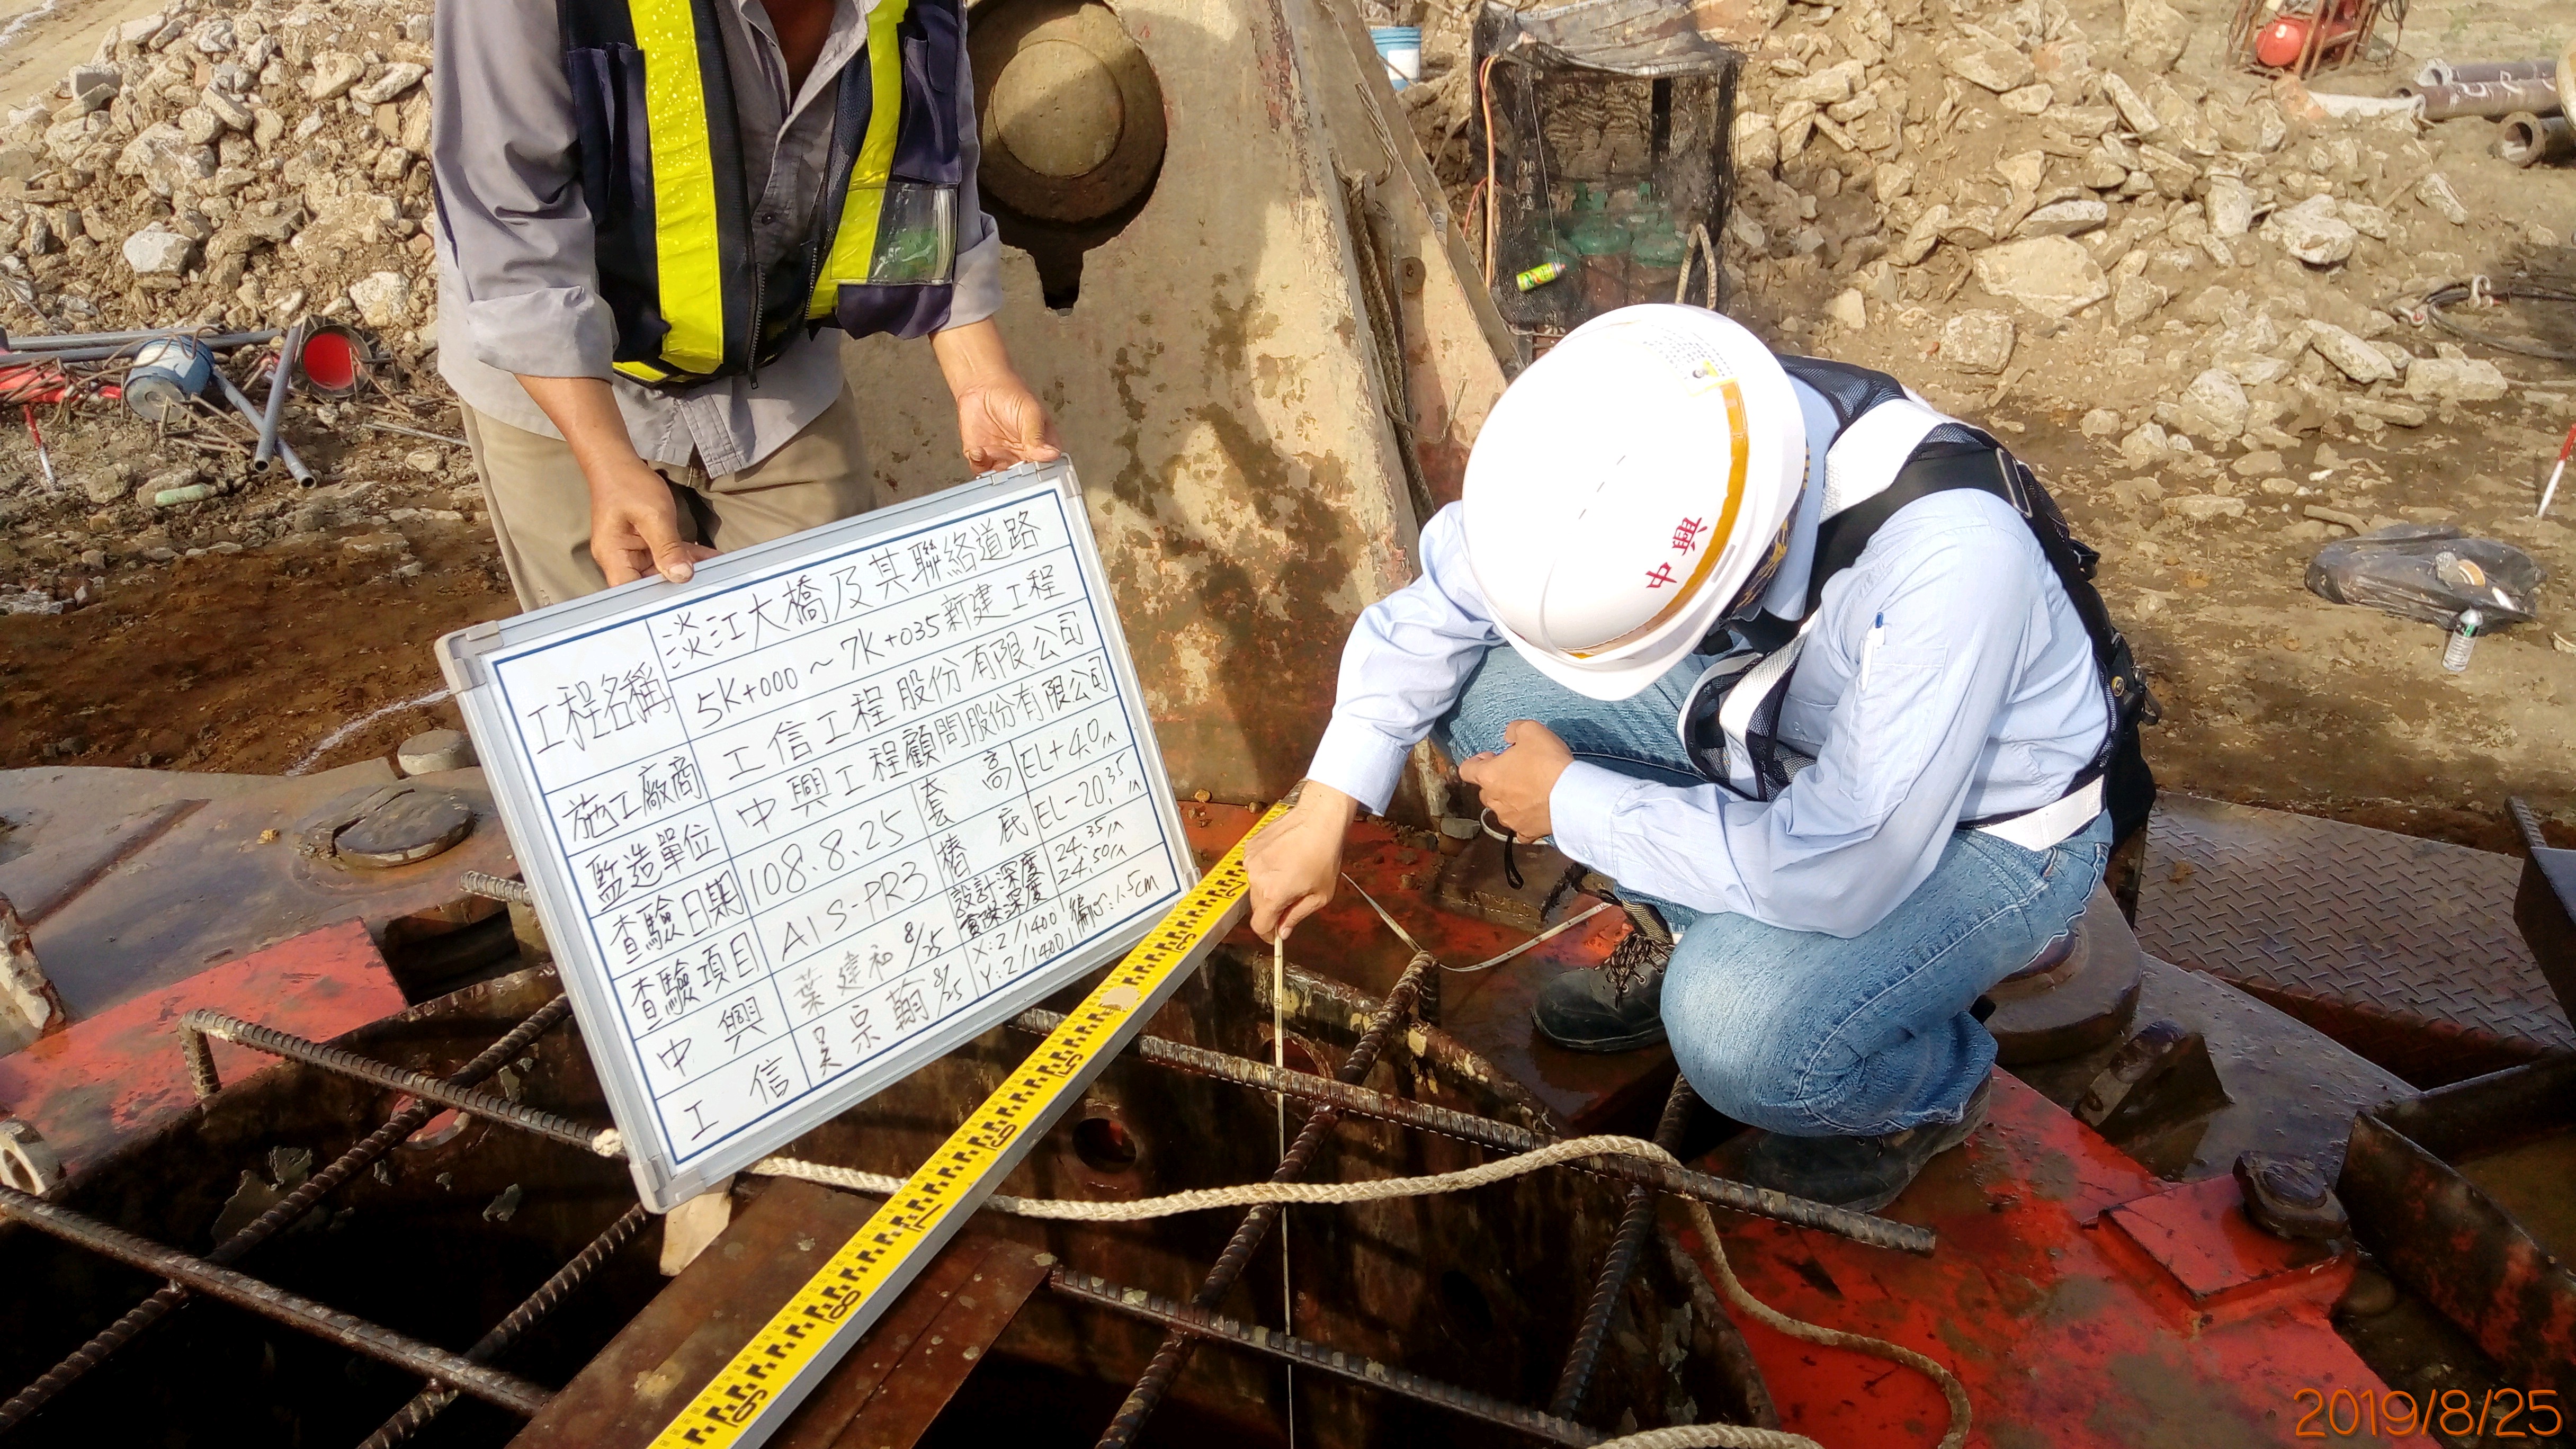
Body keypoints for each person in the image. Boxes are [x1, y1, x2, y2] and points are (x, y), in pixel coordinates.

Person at [1244, 305, 2154, 1211]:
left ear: (1741, 574)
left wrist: (1574, 804)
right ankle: (1694, 930)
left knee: (1734, 1031)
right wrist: (1327, 804)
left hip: (1980, 829)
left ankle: (1923, 1088)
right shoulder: (1655, 429)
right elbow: (1439, 609)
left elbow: (1845, 865)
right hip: (1789, 732)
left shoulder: (1949, 566)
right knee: (1491, 706)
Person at [432, 0, 1060, 610]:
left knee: (835, 653)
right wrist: (607, 461)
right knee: (625, 671)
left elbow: (927, 159)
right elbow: (507, 211)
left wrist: (980, 376)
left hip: (776, 368)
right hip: (565, 380)